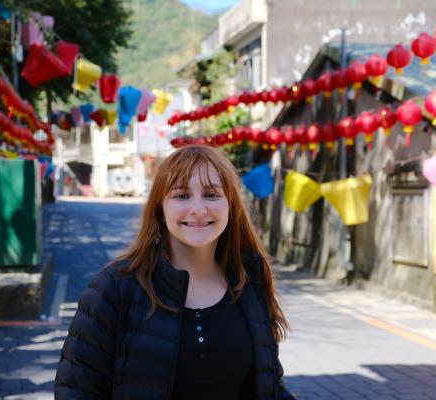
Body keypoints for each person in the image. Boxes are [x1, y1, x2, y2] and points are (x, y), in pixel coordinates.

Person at [55, 144, 296, 400]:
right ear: (160, 207)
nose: (198, 208)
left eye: (211, 194)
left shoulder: (249, 281)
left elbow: (268, 385)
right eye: (181, 195)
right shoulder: (114, 289)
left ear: (231, 204)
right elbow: (77, 391)